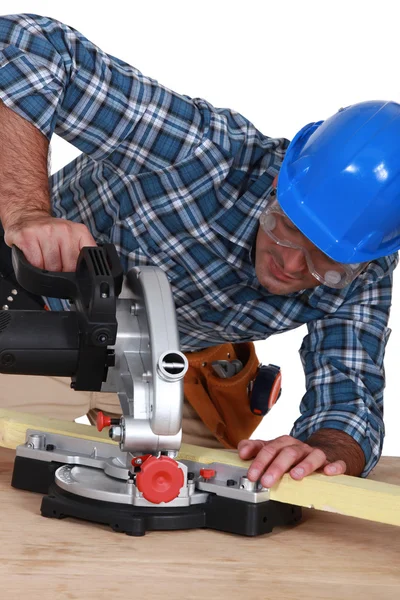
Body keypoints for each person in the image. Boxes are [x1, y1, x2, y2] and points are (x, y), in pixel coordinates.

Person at [0, 14, 399, 489]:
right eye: (288, 228)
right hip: (36, 316)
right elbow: (30, 45)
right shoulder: (201, 154)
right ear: (279, 181)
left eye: (325, 262)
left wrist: (325, 450)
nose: (292, 264)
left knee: (214, 499)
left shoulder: (365, 270)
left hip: (165, 369)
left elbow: (348, 395)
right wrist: (27, 211)